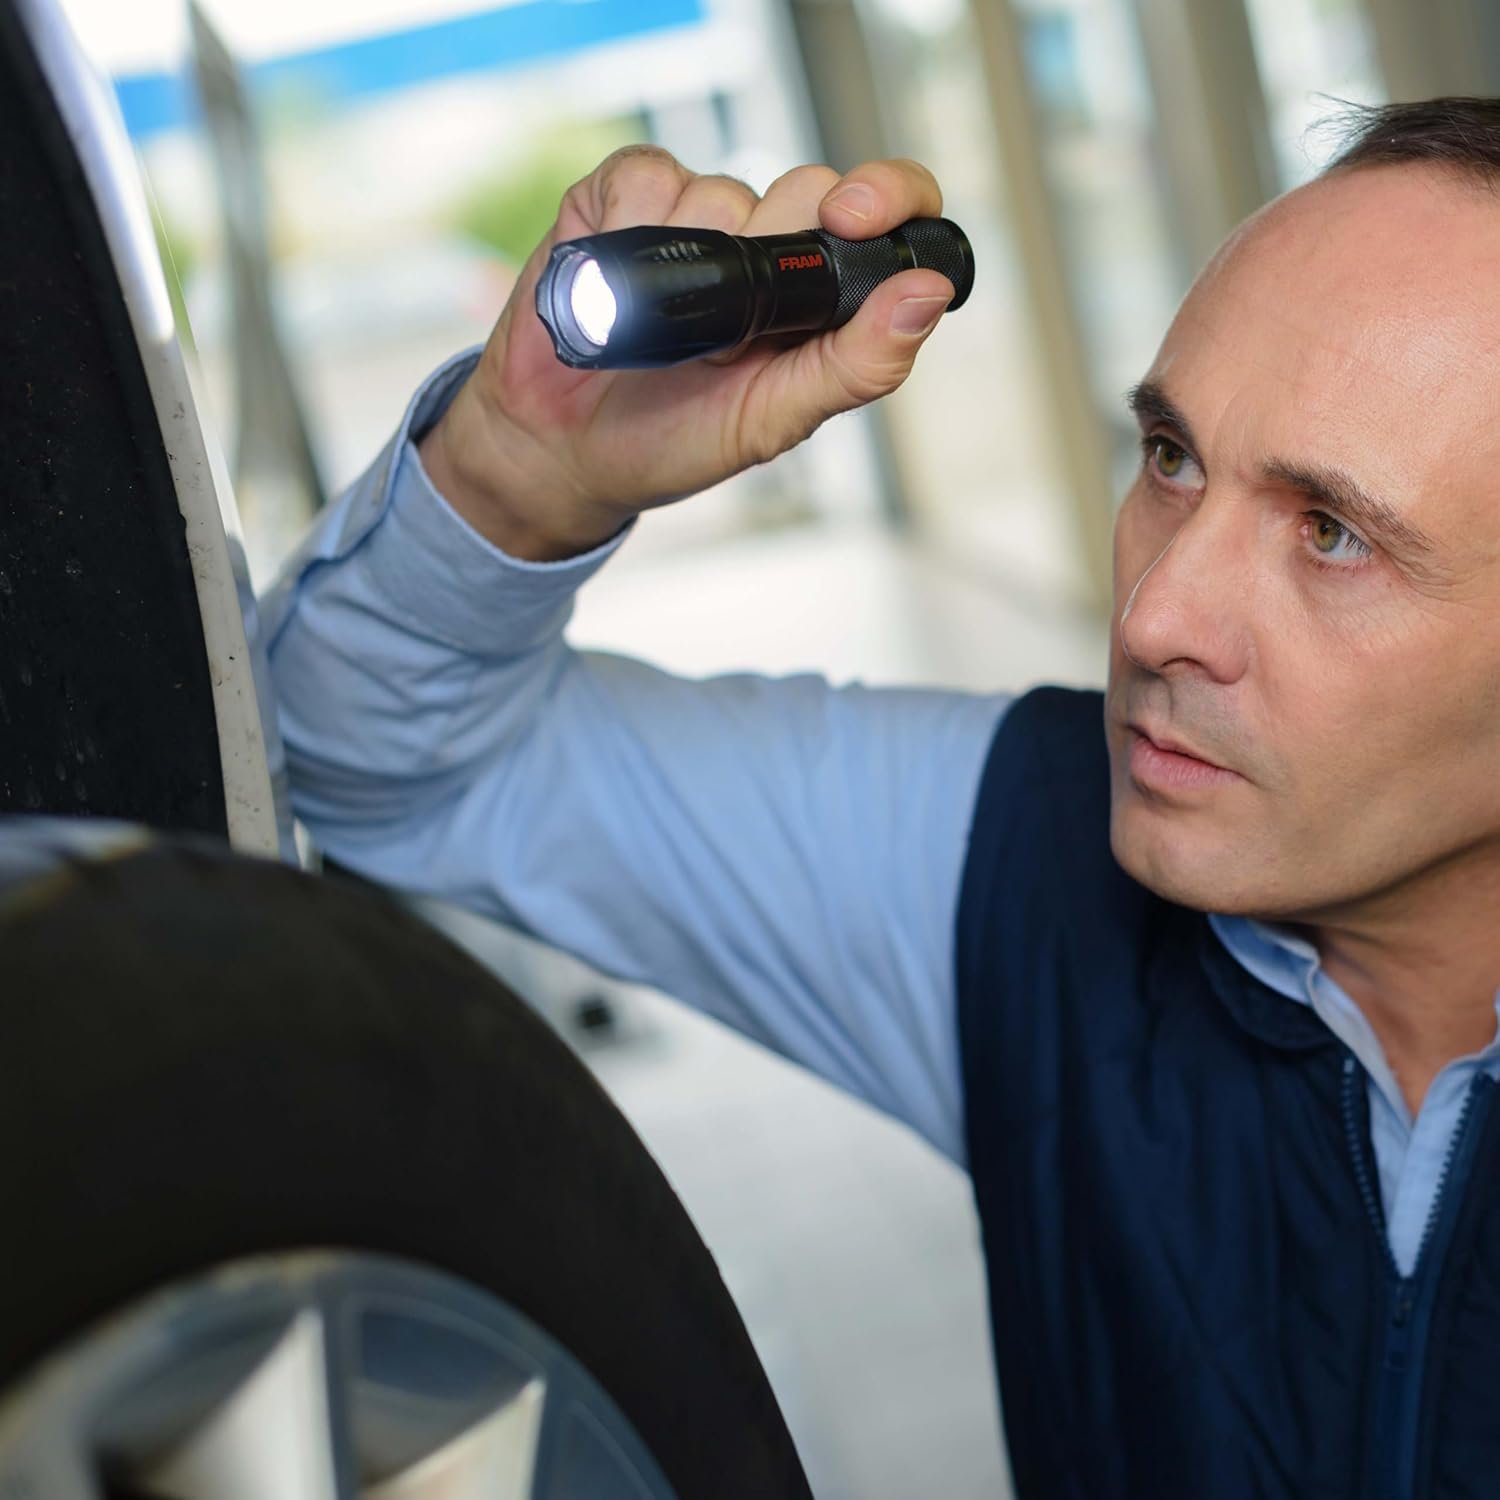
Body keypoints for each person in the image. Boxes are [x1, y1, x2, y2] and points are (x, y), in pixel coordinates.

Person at [261, 101, 1500, 1498]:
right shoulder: (1028, 862)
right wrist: (521, 471)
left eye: (1330, 535)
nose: (1155, 617)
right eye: (1170, 460)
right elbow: (377, 755)